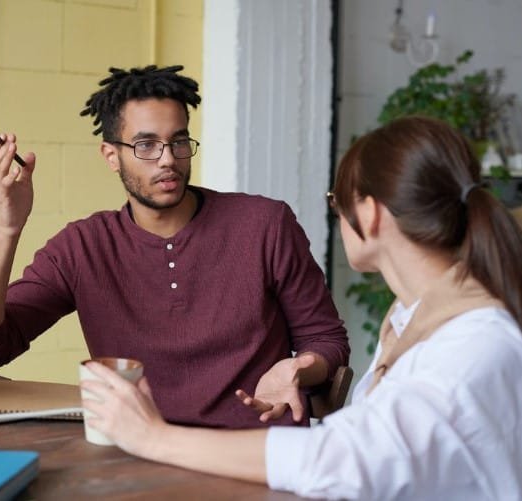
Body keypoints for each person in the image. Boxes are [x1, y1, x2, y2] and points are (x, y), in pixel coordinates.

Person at [80, 116, 522, 500]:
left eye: (336, 202)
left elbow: (344, 459)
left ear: (369, 214)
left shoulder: (473, 344)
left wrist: (153, 437)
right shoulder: (414, 319)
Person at [0, 65, 349, 429]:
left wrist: (297, 370)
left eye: (178, 142)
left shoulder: (265, 224)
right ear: (111, 156)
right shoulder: (82, 246)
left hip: (252, 452)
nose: (167, 160)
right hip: (138, 452)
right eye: (146, 145)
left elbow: (327, 340)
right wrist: (8, 229)